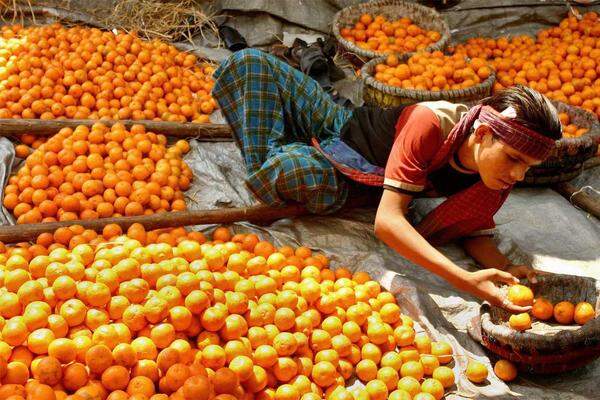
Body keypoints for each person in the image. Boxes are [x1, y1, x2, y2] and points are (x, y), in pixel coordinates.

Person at [211, 49, 561, 312]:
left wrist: (504, 269)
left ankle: (298, 161)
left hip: (361, 179)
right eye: (514, 159)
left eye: (528, 166)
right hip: (344, 126)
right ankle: (276, 157)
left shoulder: (498, 172)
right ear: (483, 133)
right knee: (250, 63)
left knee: (293, 170)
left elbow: (470, 228)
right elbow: (390, 222)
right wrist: (464, 279)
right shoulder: (430, 123)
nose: (518, 175)